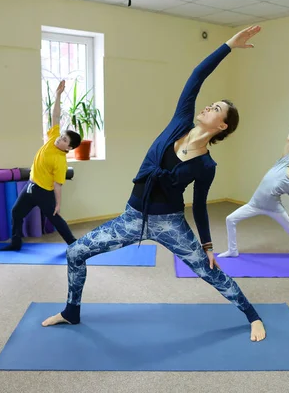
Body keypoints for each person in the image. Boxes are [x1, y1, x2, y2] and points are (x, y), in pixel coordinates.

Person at [42, 26, 267, 342]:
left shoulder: (206, 165)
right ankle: (71, 312)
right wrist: (229, 45)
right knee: (75, 253)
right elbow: (196, 76)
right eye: (210, 104)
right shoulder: (180, 122)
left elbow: (200, 205)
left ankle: (253, 317)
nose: (207, 107)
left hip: (171, 224)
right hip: (132, 218)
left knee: (209, 271)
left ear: (222, 125)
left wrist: (208, 245)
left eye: (215, 109)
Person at [217, 111, 289, 263]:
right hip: (254, 204)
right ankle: (232, 250)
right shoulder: (283, 163)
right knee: (230, 219)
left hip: (274, 209)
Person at [0, 80, 82, 252]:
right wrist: (58, 95)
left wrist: (58, 204)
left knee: (55, 218)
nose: (61, 139)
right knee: (16, 212)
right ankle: (16, 243)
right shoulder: (53, 139)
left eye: (65, 140)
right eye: (62, 136)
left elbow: (58, 185)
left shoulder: (60, 161)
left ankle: (74, 245)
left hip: (44, 192)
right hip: (30, 186)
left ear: (69, 148)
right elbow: (55, 116)